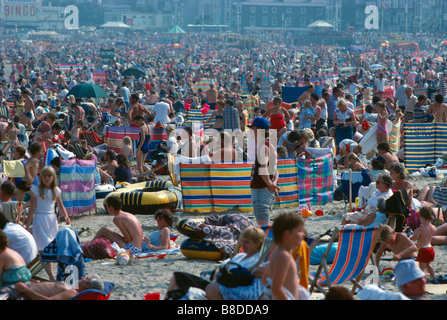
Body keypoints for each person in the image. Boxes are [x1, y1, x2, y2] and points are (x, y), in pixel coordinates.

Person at [165, 226, 265, 300]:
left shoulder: (257, 261)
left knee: (208, 289)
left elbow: (250, 282)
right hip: (217, 281)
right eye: (242, 241)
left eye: (247, 242)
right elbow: (224, 268)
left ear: (258, 243)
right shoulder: (240, 256)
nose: (243, 244)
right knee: (177, 277)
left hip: (229, 289)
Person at [261, 212, 306, 300]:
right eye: (299, 231)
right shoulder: (284, 256)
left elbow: (264, 279)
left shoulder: (279, 253)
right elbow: (276, 289)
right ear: (287, 234)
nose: (303, 234)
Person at [26, 166, 70, 251]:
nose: (47, 178)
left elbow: (60, 205)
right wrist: (28, 224)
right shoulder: (36, 190)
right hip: (39, 218)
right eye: (44, 176)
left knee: (51, 242)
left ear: (53, 177)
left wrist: (66, 216)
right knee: (41, 243)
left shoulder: (56, 190)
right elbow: (32, 208)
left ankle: (48, 261)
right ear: (41, 177)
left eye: (49, 176)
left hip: (51, 218)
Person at [249, 117, 279, 226]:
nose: (251, 132)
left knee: (263, 224)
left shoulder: (263, 147)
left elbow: (263, 169)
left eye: (253, 129)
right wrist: (273, 183)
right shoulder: (269, 146)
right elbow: (276, 170)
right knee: (264, 220)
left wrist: (270, 184)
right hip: (266, 189)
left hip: (261, 189)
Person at [2, 275, 104, 300]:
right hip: (21, 288)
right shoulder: (71, 288)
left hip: (19, 292)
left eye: (85, 278)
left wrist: (26, 290)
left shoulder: (72, 293)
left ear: (88, 286)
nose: (82, 277)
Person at [411, 206, 436, 281]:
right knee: (428, 265)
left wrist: (416, 232)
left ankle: (423, 281)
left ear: (422, 217)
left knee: (422, 268)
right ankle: (433, 277)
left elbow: (414, 238)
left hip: (423, 250)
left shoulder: (421, 229)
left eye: (420, 218)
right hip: (431, 249)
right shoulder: (433, 227)